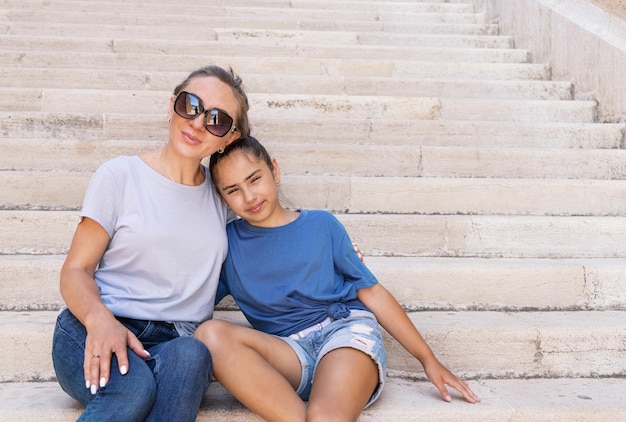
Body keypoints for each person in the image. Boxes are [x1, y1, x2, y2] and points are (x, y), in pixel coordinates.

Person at [194, 136, 481, 422]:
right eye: (233, 190)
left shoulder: (321, 225)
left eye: (254, 179)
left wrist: (428, 359)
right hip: (289, 354)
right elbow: (190, 296)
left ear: (275, 170)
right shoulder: (227, 245)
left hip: (344, 335)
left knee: (323, 416)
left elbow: (372, 293)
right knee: (210, 334)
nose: (249, 196)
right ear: (222, 197)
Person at [51, 65, 250, 422]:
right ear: (173, 105)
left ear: (229, 138)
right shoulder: (120, 175)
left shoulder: (224, 200)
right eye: (191, 105)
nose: (198, 122)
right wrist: (101, 321)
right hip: (97, 324)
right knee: (134, 388)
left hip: (176, 342)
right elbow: (76, 270)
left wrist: (330, 255)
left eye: (217, 120)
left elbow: (271, 236)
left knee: (194, 354)